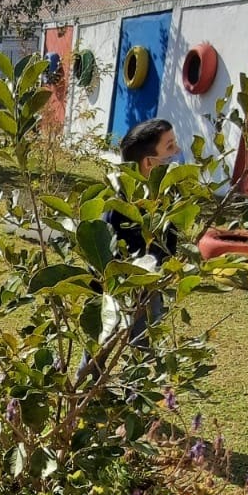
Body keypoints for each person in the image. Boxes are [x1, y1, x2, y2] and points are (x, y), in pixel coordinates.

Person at [106, 118, 185, 339]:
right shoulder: (118, 207)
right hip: (121, 290)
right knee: (101, 348)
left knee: (146, 347)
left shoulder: (167, 197)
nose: (177, 151)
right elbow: (107, 257)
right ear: (149, 163)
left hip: (152, 288)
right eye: (169, 146)